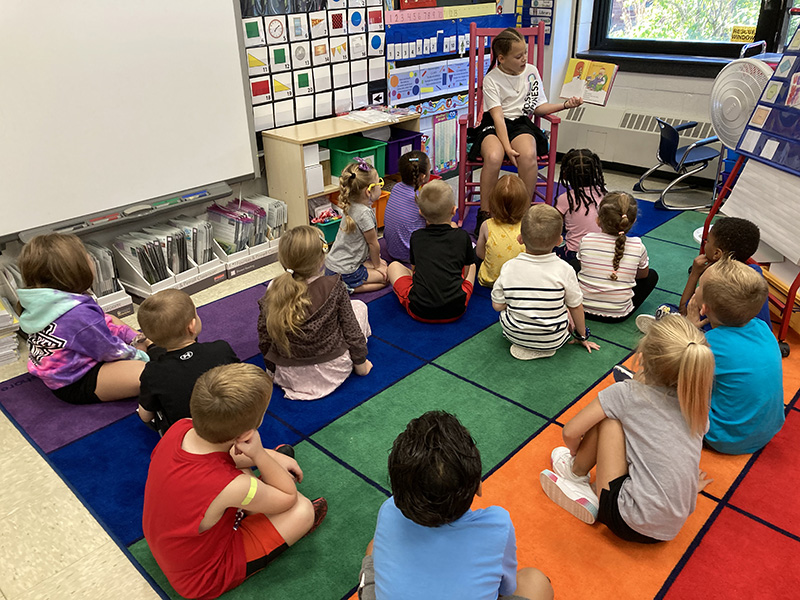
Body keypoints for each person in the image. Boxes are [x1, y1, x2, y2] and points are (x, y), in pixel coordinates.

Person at [142, 363, 327, 600]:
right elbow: (288, 497)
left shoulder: (181, 427)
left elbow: (220, 458)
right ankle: (267, 510)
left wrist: (272, 456)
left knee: (245, 472)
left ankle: (262, 488)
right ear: (247, 434)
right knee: (301, 511)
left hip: (172, 545)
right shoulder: (233, 486)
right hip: (203, 577)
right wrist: (260, 454)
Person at [540, 314, 714, 543]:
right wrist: (687, 484)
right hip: (669, 529)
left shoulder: (628, 393)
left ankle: (577, 474)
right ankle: (589, 483)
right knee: (635, 428)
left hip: (627, 519)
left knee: (610, 419)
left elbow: (570, 432)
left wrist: (575, 451)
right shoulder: (696, 407)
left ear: (642, 357)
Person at [358, 411, 554, 600]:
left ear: (398, 492)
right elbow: (506, 588)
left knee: (373, 547)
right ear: (478, 485)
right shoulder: (498, 525)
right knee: (535, 581)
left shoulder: (389, 509)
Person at [469, 27, 582, 235]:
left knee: (528, 155)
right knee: (494, 156)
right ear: (501, 58)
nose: (524, 60)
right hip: (494, 124)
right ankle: (484, 214)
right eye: (518, 56)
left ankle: (523, 214)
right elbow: (498, 118)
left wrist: (565, 105)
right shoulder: (492, 79)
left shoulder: (531, 72)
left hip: (520, 122)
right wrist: (506, 147)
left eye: (526, 54)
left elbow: (537, 108)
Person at [16, 232, 149, 404]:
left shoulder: (49, 300)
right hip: (74, 381)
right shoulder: (78, 314)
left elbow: (103, 323)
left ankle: (145, 341)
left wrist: (135, 338)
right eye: (87, 257)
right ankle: (149, 347)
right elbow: (110, 352)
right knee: (148, 374)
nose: (91, 260)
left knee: (109, 318)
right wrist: (142, 353)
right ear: (75, 270)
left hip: (61, 369)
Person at [258, 225, 372, 400]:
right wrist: (361, 363)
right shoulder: (333, 285)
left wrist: (271, 368)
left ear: (283, 260)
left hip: (288, 374)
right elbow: (351, 329)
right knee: (359, 307)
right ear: (321, 259)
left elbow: (265, 333)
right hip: (332, 370)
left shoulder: (273, 289)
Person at [685, 257, 784, 454]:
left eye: (699, 285)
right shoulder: (763, 328)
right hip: (768, 431)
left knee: (670, 390)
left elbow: (678, 372)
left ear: (704, 308)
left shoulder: (710, 344)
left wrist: (689, 327)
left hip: (723, 438)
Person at [492, 204, 599, 360]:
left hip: (513, 335)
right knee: (568, 306)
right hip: (554, 340)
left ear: (520, 239)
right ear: (559, 241)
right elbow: (576, 306)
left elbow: (497, 306)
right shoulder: (565, 269)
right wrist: (582, 336)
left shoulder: (509, 267)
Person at [636, 216, 771, 333]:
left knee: (665, 308)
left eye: (707, 241)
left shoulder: (714, 278)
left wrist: (695, 273)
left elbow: (685, 310)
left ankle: (671, 332)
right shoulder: (755, 271)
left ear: (717, 253)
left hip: (711, 335)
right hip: (754, 333)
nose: (705, 243)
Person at [136, 288, 239, 434]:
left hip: (187, 436)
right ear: (191, 326)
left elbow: (145, 416)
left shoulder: (152, 372)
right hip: (234, 424)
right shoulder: (221, 349)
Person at [387, 180, 476, 323]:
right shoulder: (462, 236)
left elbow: (415, 271)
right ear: (454, 210)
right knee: (472, 265)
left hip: (419, 310)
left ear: (421, 213)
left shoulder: (416, 237)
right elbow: (465, 272)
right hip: (456, 309)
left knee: (393, 266)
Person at [577, 192, 658, 322]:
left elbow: (583, 266)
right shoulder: (638, 245)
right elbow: (643, 275)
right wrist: (622, 275)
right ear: (633, 221)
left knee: (575, 263)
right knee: (652, 276)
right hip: (618, 315)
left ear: (598, 220)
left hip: (581, 308)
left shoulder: (587, 240)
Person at [324, 158, 388, 293]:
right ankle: (345, 289)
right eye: (379, 183)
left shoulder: (350, 203)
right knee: (385, 278)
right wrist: (377, 266)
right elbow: (373, 244)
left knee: (381, 266)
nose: (380, 186)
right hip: (346, 271)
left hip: (332, 266)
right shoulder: (364, 213)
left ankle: (340, 283)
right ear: (368, 191)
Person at [553, 148, 607, 270]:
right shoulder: (604, 195)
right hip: (604, 255)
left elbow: (552, 226)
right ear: (596, 172)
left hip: (574, 255)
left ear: (565, 174)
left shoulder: (565, 199)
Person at [475, 174, 528, 287]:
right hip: (520, 282)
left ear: (493, 202)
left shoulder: (486, 225)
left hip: (491, 280)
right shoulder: (527, 225)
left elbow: (479, 253)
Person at [383, 150, 431, 264]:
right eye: (429, 169)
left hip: (392, 250)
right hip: (411, 255)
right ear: (423, 177)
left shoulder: (396, 188)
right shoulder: (420, 199)